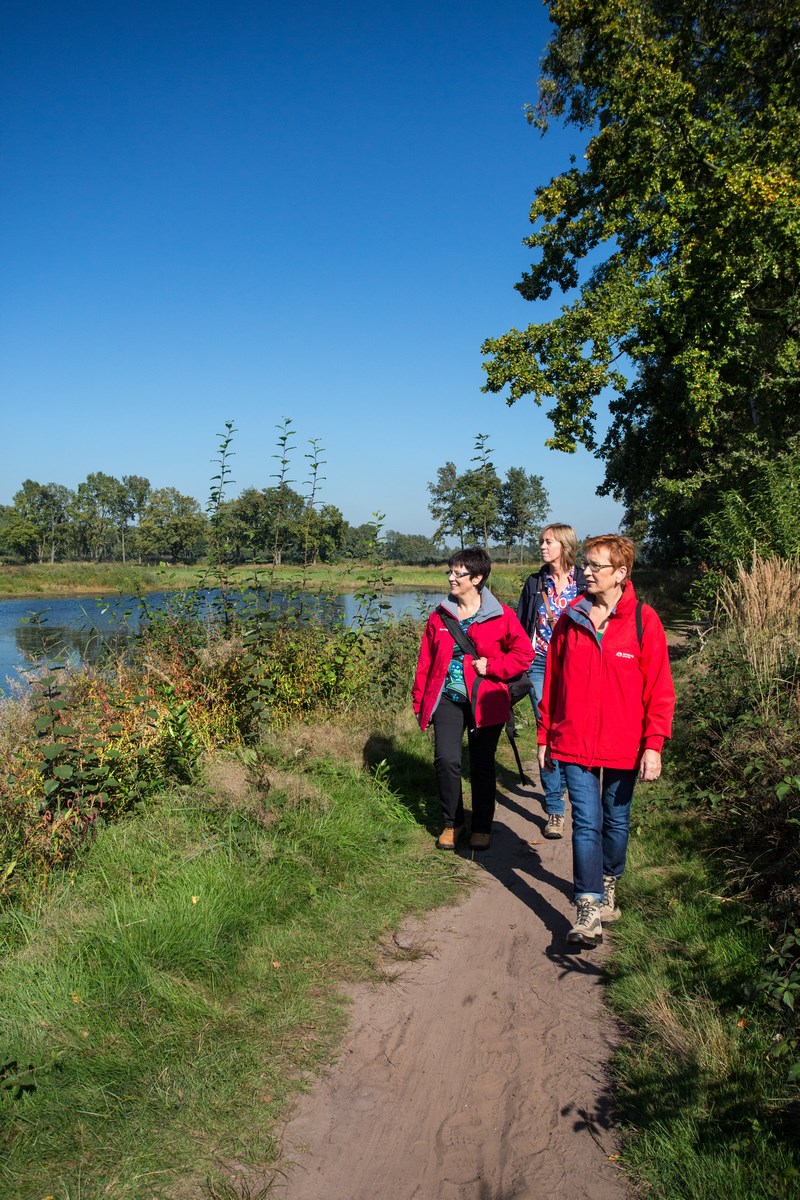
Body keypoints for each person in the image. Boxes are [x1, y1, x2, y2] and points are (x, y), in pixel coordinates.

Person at [537, 535, 675, 947]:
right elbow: (553, 685)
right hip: (574, 741)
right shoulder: (570, 618)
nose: (587, 571)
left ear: (621, 574)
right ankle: (589, 905)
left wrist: (653, 744)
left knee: (615, 821)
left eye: (597, 566)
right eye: (587, 564)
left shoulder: (642, 621)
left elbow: (660, 689)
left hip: (623, 743)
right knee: (586, 822)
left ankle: (610, 878)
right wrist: (545, 735)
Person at [413, 547, 533, 853]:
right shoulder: (439, 616)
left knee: (481, 765)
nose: (451, 578)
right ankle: (452, 823)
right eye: (450, 572)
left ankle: (481, 825)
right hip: (447, 700)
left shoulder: (502, 615)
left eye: (458, 573)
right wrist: (420, 702)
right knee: (446, 760)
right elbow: (425, 663)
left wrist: (492, 667)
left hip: (486, 700)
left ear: (477, 578)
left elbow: (523, 655)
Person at [516, 524, 586, 839]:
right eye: (541, 541)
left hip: (578, 663)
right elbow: (520, 626)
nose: (542, 546)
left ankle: (570, 781)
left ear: (565, 545)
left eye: (549, 542)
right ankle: (555, 808)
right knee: (547, 727)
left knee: (572, 725)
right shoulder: (534, 583)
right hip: (540, 662)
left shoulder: (585, 581)